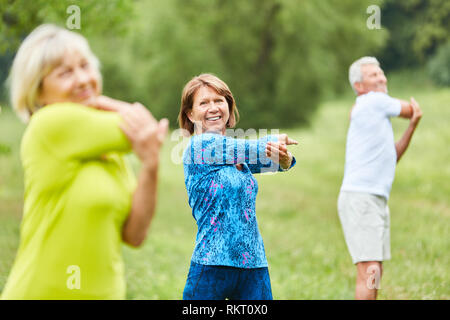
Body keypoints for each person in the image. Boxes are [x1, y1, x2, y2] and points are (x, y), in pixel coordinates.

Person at [1, 24, 168, 299]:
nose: (82, 79)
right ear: (37, 91)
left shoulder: (109, 152)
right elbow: (146, 126)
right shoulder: (49, 124)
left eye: (85, 66)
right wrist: (101, 100)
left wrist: (150, 166)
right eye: (65, 72)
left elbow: (134, 235)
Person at [178, 73, 297, 300]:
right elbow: (258, 148)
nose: (213, 107)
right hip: (212, 263)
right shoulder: (199, 147)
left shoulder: (237, 154)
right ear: (190, 114)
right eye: (204, 103)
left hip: (253, 264)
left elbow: (278, 162)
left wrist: (284, 159)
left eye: (219, 100)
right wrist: (273, 141)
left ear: (229, 108)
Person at [338, 56, 422, 300]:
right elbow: (410, 109)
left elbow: (391, 157)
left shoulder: (372, 112)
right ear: (359, 87)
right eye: (374, 75)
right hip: (361, 198)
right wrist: (414, 114)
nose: (382, 77)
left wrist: (412, 127)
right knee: (370, 269)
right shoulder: (373, 101)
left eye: (381, 72)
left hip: (373, 198)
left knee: (373, 269)